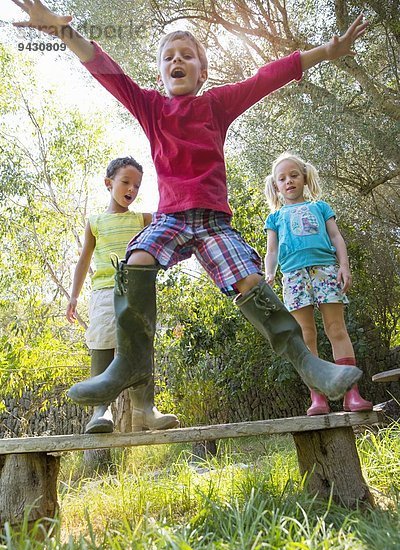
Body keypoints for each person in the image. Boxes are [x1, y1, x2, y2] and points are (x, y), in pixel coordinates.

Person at [12, 0, 368, 414]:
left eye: (187, 56)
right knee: (139, 257)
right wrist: (62, 32)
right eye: (168, 58)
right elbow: (108, 71)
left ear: (203, 71)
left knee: (250, 280)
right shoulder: (151, 108)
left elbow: (266, 76)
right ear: (161, 71)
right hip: (171, 219)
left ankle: (310, 367)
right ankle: (129, 363)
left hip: (213, 222)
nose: (176, 61)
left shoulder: (216, 105)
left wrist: (326, 51)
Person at [66, 156, 179, 432]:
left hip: (136, 292)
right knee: (102, 344)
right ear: (108, 183)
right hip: (105, 290)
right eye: (125, 182)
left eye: (137, 185)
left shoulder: (142, 219)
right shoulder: (96, 222)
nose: (131, 189)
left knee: (139, 347)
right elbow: (83, 260)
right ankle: (100, 412)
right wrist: (73, 296)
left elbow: (172, 219)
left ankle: (147, 410)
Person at [264, 152, 373, 415]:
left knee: (336, 329)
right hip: (293, 276)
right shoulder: (275, 218)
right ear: (276, 186)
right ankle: (318, 397)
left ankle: (351, 393)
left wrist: (344, 267)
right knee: (305, 335)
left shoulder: (321, 207)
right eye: (282, 178)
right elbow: (271, 251)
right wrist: (269, 274)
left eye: (293, 175)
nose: (288, 181)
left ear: (304, 178)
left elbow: (336, 238)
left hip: (326, 271)